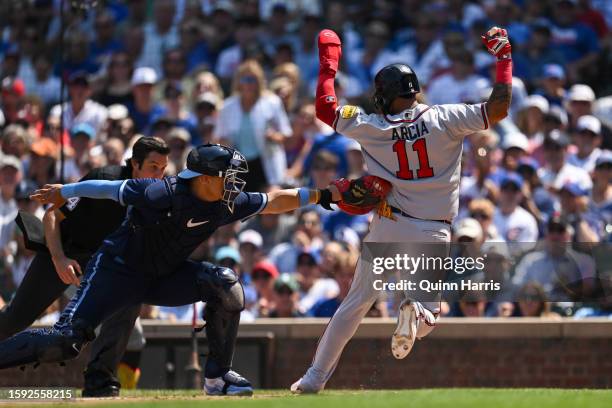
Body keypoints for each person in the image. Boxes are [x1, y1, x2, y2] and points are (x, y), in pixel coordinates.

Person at [1, 143, 344, 396]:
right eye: (230, 176)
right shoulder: (162, 192)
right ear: (207, 178)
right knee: (65, 340)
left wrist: (325, 195)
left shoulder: (227, 204)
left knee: (226, 286)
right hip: (117, 272)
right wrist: (67, 190)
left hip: (162, 277)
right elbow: (106, 189)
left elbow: (275, 200)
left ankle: (217, 377)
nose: (237, 183)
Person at [291, 26, 512, 393]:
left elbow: (324, 108)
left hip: (387, 226)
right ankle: (417, 310)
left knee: (355, 305)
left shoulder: (372, 126)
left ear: (385, 96)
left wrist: (329, 62)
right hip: (432, 229)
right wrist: (503, 60)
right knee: (430, 313)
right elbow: (499, 108)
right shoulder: (446, 117)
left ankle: (314, 378)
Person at [0, 137, 169, 397]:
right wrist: (59, 259)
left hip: (101, 263)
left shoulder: (158, 197)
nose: (160, 176)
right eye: (153, 167)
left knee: (129, 303)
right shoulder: (103, 178)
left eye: (163, 169)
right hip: (62, 252)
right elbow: (52, 215)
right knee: (15, 319)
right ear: (135, 164)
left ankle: (100, 380)